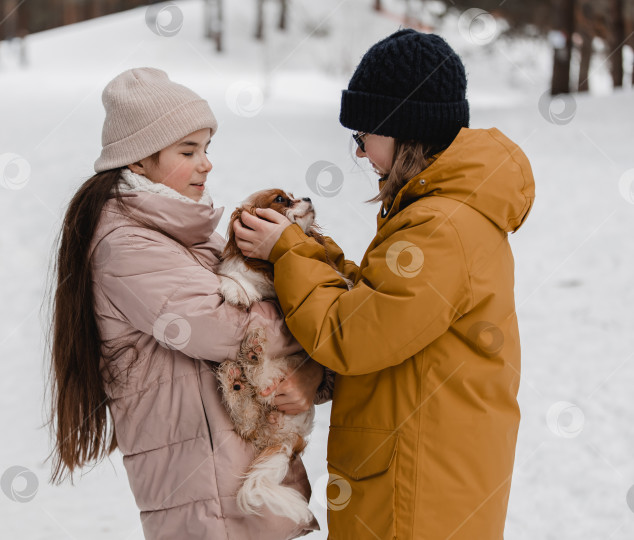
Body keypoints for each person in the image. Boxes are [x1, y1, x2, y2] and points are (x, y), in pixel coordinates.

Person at [232, 29, 535, 539]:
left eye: (363, 136)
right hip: (420, 477)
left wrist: (287, 252)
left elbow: (351, 335)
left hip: (416, 493)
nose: (359, 153)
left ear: (404, 129)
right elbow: (382, 304)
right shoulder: (442, 212)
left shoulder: (440, 226)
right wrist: (313, 251)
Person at [45, 67, 332, 539]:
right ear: (139, 162)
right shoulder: (126, 243)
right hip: (205, 504)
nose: (206, 164)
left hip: (238, 487)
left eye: (206, 149)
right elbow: (225, 329)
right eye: (188, 151)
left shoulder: (185, 232)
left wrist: (308, 370)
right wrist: (312, 313)